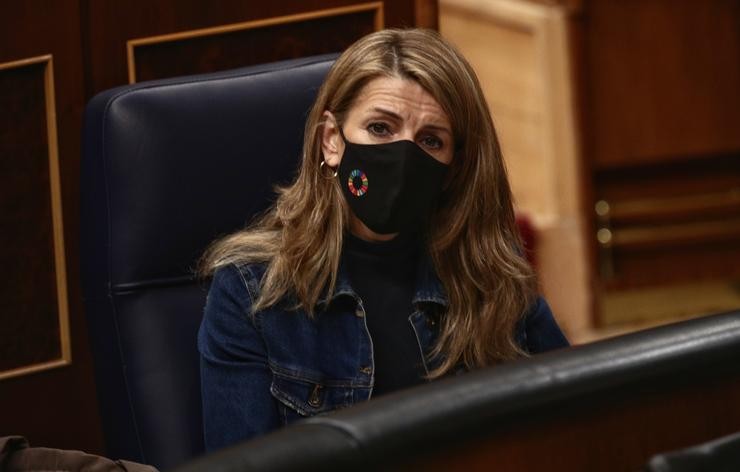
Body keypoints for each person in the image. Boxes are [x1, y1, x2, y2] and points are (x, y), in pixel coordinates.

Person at [197, 28, 569, 452]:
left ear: (453, 167)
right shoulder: (252, 291)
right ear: (332, 141)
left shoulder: (493, 278)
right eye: (380, 128)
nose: (403, 158)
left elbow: (580, 427)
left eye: (431, 140)